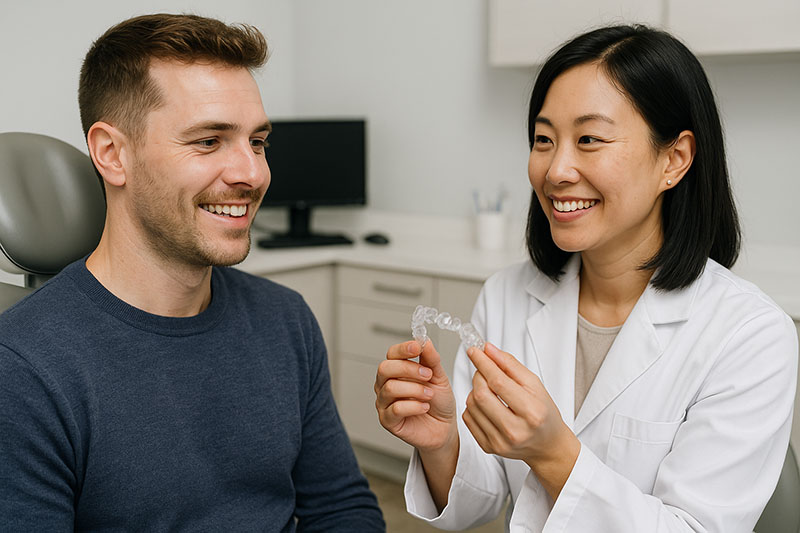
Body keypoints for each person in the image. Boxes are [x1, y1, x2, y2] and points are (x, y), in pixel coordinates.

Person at [375, 24, 798, 532]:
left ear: (674, 159)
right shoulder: (507, 296)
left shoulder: (750, 335)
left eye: (589, 139)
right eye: (544, 140)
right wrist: (442, 441)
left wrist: (556, 455)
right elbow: (480, 500)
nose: (556, 170)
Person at [0, 13, 384, 531]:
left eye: (258, 142)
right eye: (208, 141)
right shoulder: (23, 370)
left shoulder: (284, 319)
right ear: (112, 154)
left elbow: (341, 510)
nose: (252, 173)